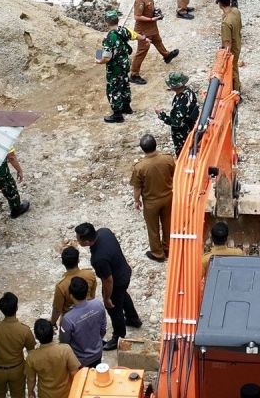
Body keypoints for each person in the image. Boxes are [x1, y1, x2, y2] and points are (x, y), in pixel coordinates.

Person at [75, 223, 140, 350]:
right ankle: (133, 319)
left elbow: (108, 280)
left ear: (87, 241)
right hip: (124, 271)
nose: (77, 240)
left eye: (78, 239)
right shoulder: (105, 232)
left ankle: (118, 336)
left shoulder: (98, 259)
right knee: (122, 295)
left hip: (117, 281)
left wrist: (107, 298)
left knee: (114, 308)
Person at [131, 134, 176, 263]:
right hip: (168, 197)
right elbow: (174, 174)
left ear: (142, 149)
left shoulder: (140, 167)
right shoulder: (167, 159)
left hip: (151, 202)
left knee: (153, 228)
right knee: (167, 222)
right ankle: (168, 247)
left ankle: (157, 253)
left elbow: (137, 188)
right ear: (155, 144)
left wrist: (136, 200)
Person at [0, 292, 36, 398]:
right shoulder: (24, 330)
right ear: (16, 308)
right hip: (17, 370)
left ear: (1, 309)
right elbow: (31, 353)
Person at [130, 0, 179, 85]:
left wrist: (155, 13)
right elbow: (137, 16)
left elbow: (148, 9)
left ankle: (166, 55)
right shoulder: (140, 0)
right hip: (143, 30)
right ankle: (134, 74)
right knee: (141, 52)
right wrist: (151, 18)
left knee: (158, 41)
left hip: (151, 27)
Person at [99, 10, 144, 123]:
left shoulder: (109, 38)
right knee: (124, 84)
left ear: (106, 22)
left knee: (114, 89)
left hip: (114, 68)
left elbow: (106, 58)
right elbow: (135, 35)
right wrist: (144, 39)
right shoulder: (123, 30)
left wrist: (98, 61)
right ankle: (126, 107)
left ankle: (117, 114)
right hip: (125, 65)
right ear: (117, 20)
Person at [58, 277, 106, 368]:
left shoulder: (68, 319)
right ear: (86, 291)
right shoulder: (98, 304)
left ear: (71, 295)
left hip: (80, 359)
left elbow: (64, 342)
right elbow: (103, 328)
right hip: (98, 353)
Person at [24, 319, 80, 398]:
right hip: (66, 393)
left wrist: (30, 392)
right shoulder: (65, 350)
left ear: (36, 336)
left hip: (45, 394)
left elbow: (31, 379)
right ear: (53, 332)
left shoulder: (31, 357)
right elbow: (75, 373)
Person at [50, 247, 98, 325]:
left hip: (71, 321)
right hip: (88, 313)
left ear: (63, 263)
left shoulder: (61, 286)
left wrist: (52, 322)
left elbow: (57, 310)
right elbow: (92, 296)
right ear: (78, 260)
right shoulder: (90, 275)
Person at [155, 72, 198, 155]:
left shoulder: (181, 103)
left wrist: (161, 114)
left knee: (182, 153)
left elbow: (177, 123)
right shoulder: (189, 92)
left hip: (182, 134)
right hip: (189, 127)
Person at [219, 0, 243, 93]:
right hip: (237, 44)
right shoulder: (236, 11)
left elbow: (227, 43)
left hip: (232, 50)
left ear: (220, 4)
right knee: (235, 68)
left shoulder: (226, 23)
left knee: (232, 70)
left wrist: (224, 56)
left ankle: (236, 91)